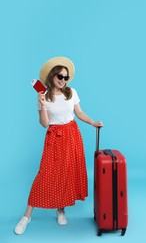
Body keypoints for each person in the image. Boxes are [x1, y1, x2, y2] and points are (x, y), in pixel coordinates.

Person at [14, 56, 103, 235]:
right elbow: (45, 124)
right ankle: (26, 216)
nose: (63, 80)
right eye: (60, 77)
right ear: (52, 77)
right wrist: (43, 105)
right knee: (44, 174)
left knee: (67, 173)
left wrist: (93, 122)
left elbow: (79, 112)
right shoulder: (43, 97)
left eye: (66, 77)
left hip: (72, 135)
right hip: (54, 137)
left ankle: (61, 209)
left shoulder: (72, 92)